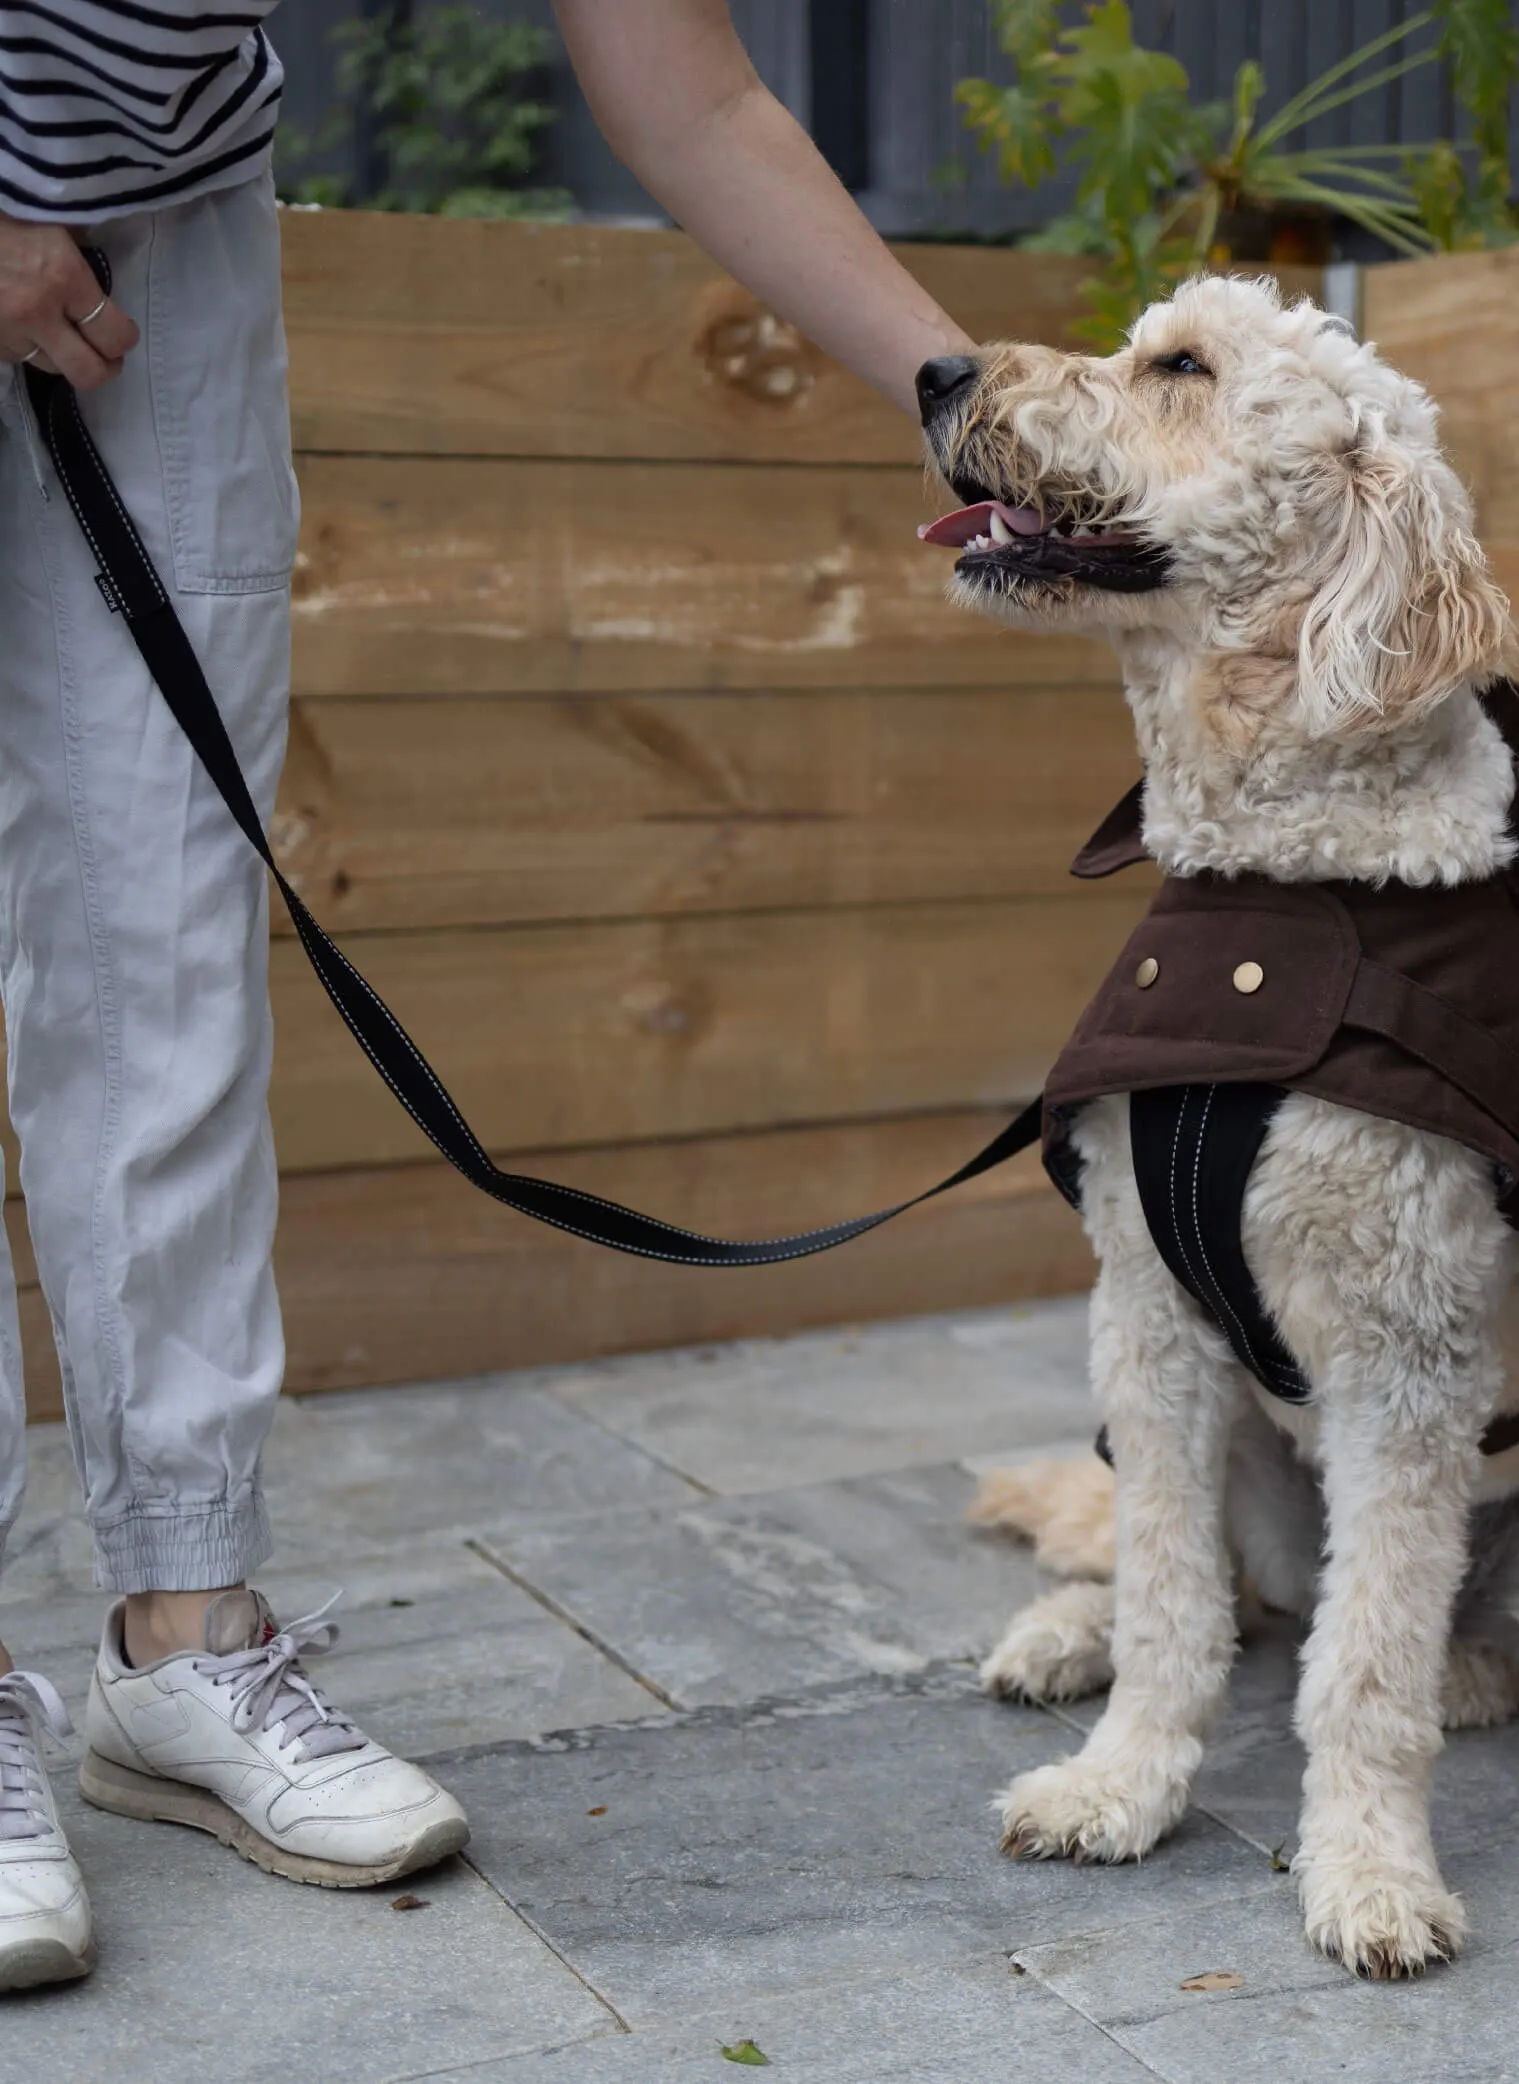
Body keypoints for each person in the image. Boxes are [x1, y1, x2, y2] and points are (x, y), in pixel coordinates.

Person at [0, 0, 970, 1989]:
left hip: (162, 228)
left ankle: (184, 1634)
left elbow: (684, 81)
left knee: (166, 933)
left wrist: (963, 390)